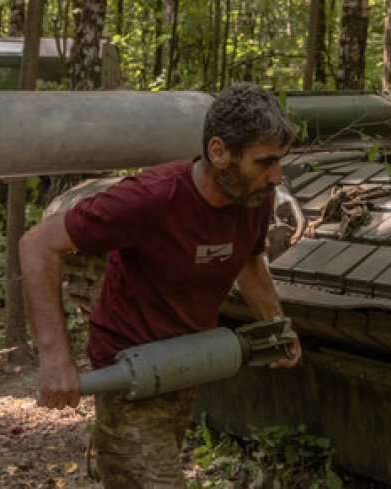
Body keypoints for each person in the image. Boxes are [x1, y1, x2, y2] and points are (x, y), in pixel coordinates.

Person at [19, 83, 302, 488]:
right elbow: (37, 244)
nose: (276, 176)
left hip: (185, 364)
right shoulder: (151, 198)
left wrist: (277, 325)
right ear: (219, 152)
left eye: (279, 162)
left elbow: (250, 262)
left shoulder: (254, 200)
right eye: (265, 162)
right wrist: (54, 358)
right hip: (129, 372)